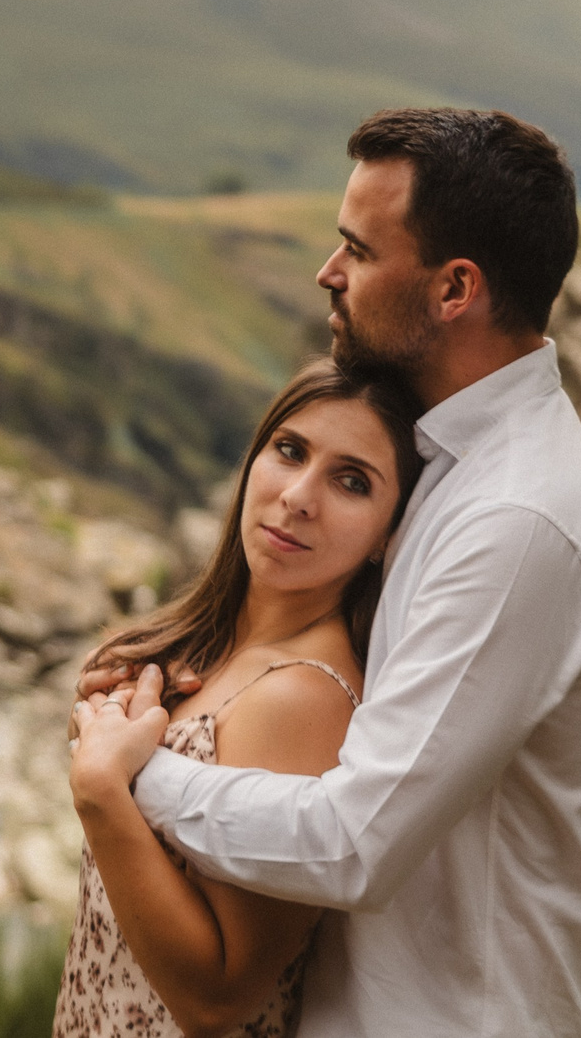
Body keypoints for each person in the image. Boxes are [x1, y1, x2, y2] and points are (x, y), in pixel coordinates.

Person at [71, 107, 581, 1038]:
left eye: (358, 249)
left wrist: (135, 774)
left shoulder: (519, 516)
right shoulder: (449, 465)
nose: (327, 272)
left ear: (455, 287)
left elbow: (354, 841)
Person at [57, 360, 427, 1038]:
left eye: (352, 481)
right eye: (290, 451)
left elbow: (220, 998)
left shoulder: (299, 696)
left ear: (386, 536)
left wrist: (102, 789)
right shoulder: (194, 655)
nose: (298, 496)